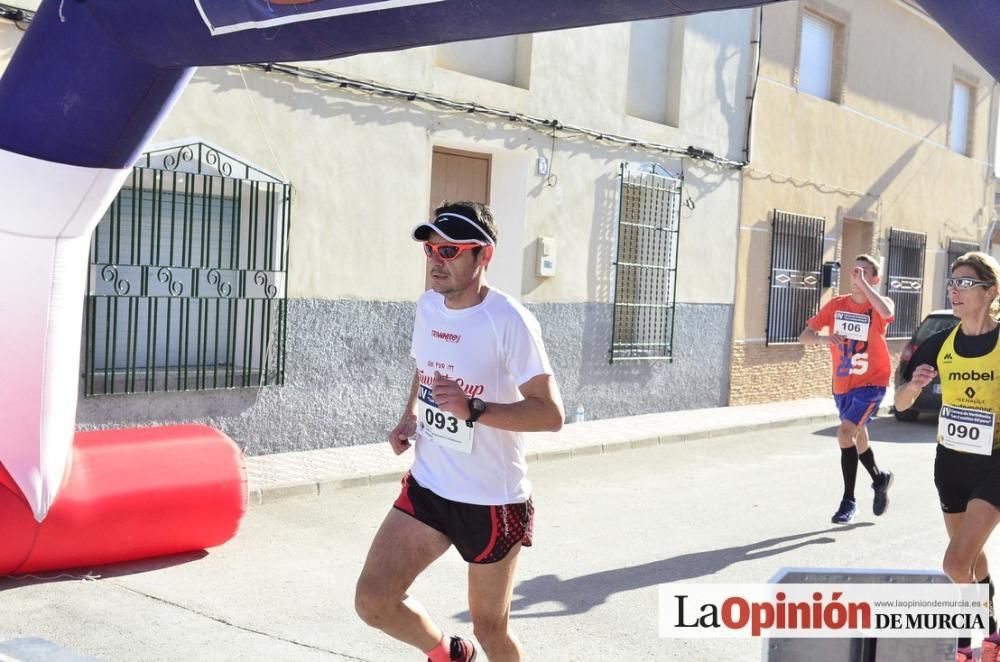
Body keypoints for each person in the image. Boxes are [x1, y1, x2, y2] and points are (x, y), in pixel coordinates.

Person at [355, 201, 564, 662]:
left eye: (450, 251)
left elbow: (550, 414)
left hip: (492, 501)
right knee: (374, 600)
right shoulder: (429, 307)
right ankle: (448, 654)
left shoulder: (509, 321)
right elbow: (424, 367)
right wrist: (409, 414)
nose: (435, 260)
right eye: (430, 250)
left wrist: (474, 408)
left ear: (483, 256)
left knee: (491, 629)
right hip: (430, 485)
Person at [895, 252, 1000, 661]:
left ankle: (964, 639)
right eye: (952, 283)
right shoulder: (940, 344)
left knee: (955, 563)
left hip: (995, 464)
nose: (955, 290)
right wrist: (914, 387)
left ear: (990, 292)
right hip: (951, 464)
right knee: (969, 558)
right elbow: (901, 403)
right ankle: (990, 630)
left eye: (965, 283)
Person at [799, 254, 895, 524]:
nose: (858, 276)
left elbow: (887, 313)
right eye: (856, 271)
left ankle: (848, 501)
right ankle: (879, 478)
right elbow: (804, 336)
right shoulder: (837, 305)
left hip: (872, 382)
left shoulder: (880, 305)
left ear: (875, 278)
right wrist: (825, 338)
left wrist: (866, 286)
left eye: (865, 272)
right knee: (857, 437)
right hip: (843, 384)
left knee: (844, 434)